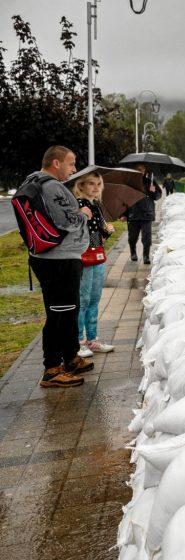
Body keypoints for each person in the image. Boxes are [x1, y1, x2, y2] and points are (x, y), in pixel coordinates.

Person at [18, 146, 94, 388]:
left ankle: (70, 358)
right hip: (58, 261)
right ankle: (52, 368)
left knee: (68, 310)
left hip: (55, 258)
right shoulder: (51, 186)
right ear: (56, 163)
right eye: (71, 164)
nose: (74, 169)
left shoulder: (36, 182)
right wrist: (83, 213)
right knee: (59, 314)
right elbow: (66, 220)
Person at [71, 171, 115, 358]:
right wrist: (81, 216)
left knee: (95, 299)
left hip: (97, 256)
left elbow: (96, 236)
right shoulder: (77, 205)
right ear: (81, 186)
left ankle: (92, 339)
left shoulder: (96, 205)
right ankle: (79, 342)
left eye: (98, 183)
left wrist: (107, 232)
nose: (96, 187)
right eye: (91, 183)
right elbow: (74, 232)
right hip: (83, 258)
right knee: (83, 300)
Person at [125, 163, 162, 264]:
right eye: (138, 169)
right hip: (133, 214)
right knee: (132, 237)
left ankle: (146, 255)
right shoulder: (129, 183)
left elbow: (158, 196)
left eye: (142, 169)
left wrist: (153, 191)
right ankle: (133, 252)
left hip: (147, 213)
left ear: (145, 171)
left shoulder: (151, 182)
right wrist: (124, 214)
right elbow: (125, 199)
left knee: (147, 237)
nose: (140, 171)